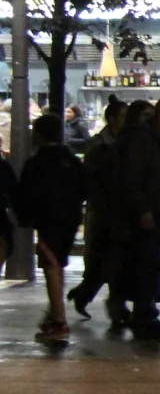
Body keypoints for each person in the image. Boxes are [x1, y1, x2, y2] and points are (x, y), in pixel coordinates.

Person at [117, 95, 160, 340]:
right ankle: (145, 316)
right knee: (147, 265)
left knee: (155, 265)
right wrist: (143, 209)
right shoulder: (142, 141)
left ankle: (146, 314)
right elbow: (133, 178)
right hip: (149, 213)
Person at [17, 113, 85, 345]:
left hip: (47, 220)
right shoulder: (72, 161)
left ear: (38, 134)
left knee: (51, 266)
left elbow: (25, 194)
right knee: (58, 263)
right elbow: (85, 188)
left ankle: (59, 319)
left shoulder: (36, 164)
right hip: (71, 218)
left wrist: (26, 217)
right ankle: (53, 312)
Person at [67, 99, 126, 321]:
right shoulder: (99, 145)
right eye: (123, 117)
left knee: (113, 259)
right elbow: (93, 179)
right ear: (112, 119)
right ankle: (92, 296)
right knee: (107, 259)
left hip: (116, 210)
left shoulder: (124, 142)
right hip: (104, 210)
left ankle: (90, 295)